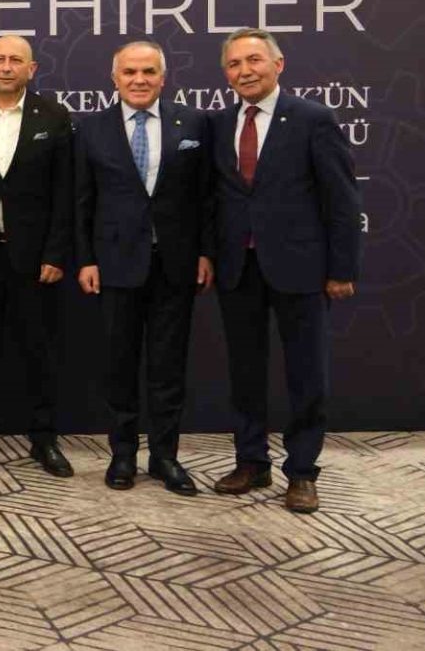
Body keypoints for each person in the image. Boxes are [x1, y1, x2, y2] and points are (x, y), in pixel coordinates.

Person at [210, 27, 361, 513]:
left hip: (301, 267)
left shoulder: (313, 118)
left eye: (253, 60)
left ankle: (302, 472)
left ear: (278, 65)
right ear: (226, 74)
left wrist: (341, 268)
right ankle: (251, 462)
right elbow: (215, 198)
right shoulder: (219, 124)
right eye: (234, 64)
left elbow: (342, 200)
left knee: (306, 373)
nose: (244, 71)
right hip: (238, 267)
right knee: (245, 371)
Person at [75, 40, 213, 496]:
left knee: (168, 366)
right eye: (130, 72)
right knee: (119, 364)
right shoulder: (91, 129)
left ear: (163, 77)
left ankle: (165, 456)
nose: (139, 80)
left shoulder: (193, 123)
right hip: (114, 264)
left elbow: (207, 197)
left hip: (176, 263)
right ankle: (122, 454)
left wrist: (205, 252)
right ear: (114, 78)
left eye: (148, 71)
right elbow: (81, 201)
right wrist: (86, 258)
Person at [0, 35, 74, 477]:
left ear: (32, 69)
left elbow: (65, 192)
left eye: (16, 60)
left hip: (35, 258)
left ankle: (43, 438)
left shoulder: (54, 116)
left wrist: (56, 252)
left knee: (39, 350)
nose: (7, 67)